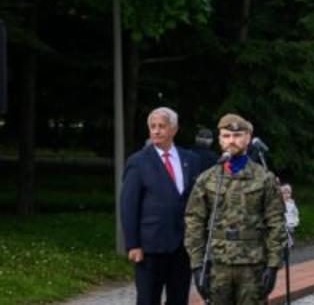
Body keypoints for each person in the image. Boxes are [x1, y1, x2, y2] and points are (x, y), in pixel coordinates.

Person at [184, 115, 283, 305]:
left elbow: (276, 221)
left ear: (248, 138)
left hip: (252, 263)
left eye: (238, 135)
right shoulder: (207, 179)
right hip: (217, 264)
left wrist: (273, 265)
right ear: (219, 139)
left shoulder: (264, 178)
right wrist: (197, 266)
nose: (232, 141)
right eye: (226, 135)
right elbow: (194, 221)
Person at [120, 107, 213, 305]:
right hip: (150, 246)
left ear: (174, 129)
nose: (156, 131)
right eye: (152, 127)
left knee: (179, 299)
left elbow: (198, 200)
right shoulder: (138, 162)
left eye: (161, 126)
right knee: (147, 299)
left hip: (183, 246)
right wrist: (133, 244)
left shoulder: (191, 159)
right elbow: (129, 205)